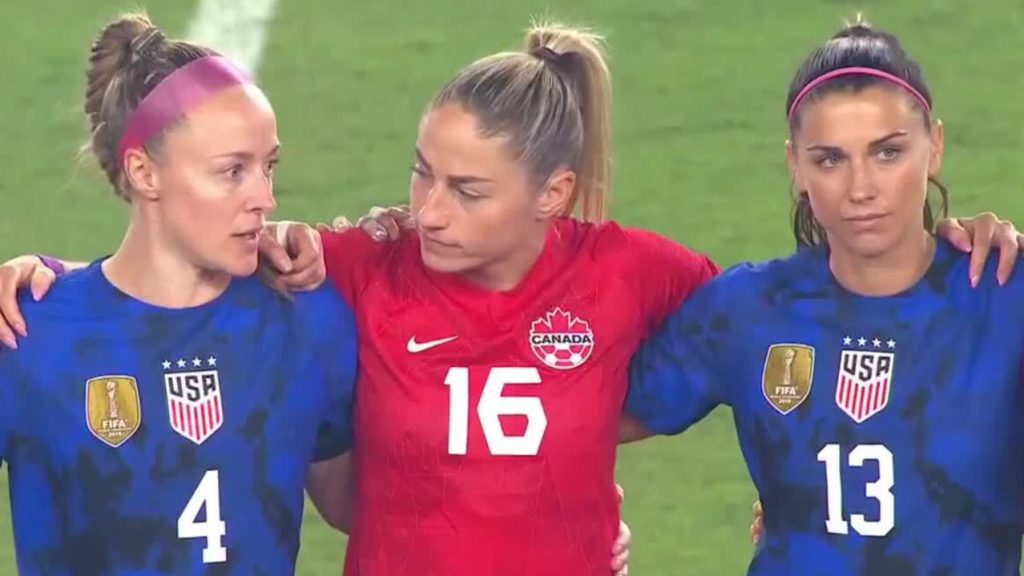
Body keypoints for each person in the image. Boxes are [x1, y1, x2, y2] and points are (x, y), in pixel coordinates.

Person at [0, 17, 1019, 576]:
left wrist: (571, 506)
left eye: (467, 190)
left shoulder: (642, 274)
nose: (429, 210)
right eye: (419, 177)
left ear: (553, 195)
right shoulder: (337, 276)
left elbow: (699, 376)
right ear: (796, 165)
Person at [624, 17, 1024, 574]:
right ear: (796, 165)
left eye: (888, 153)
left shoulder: (1006, 296)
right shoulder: (749, 309)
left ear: (934, 147)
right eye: (830, 159)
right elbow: (581, 419)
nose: (860, 188)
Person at [0, 14, 358, 575]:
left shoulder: (304, 318)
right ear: (144, 173)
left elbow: (359, 505)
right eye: (231, 171)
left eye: (268, 167)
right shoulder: (28, 334)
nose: (264, 197)